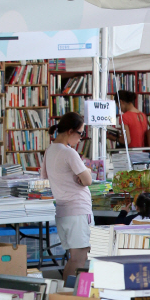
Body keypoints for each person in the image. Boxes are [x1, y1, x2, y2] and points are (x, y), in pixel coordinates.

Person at [41, 112, 93, 284]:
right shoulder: (69, 153)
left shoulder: (50, 150)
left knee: (74, 257)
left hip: (63, 209)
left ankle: (66, 292)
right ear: (70, 131)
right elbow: (88, 180)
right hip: (77, 209)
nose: (80, 138)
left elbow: (44, 178)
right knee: (79, 258)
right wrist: (86, 173)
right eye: (80, 134)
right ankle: (71, 294)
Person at [115, 91, 150, 158]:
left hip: (132, 155)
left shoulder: (124, 117)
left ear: (121, 102)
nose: (119, 109)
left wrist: (115, 138)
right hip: (145, 154)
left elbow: (127, 140)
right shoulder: (143, 115)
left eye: (118, 106)